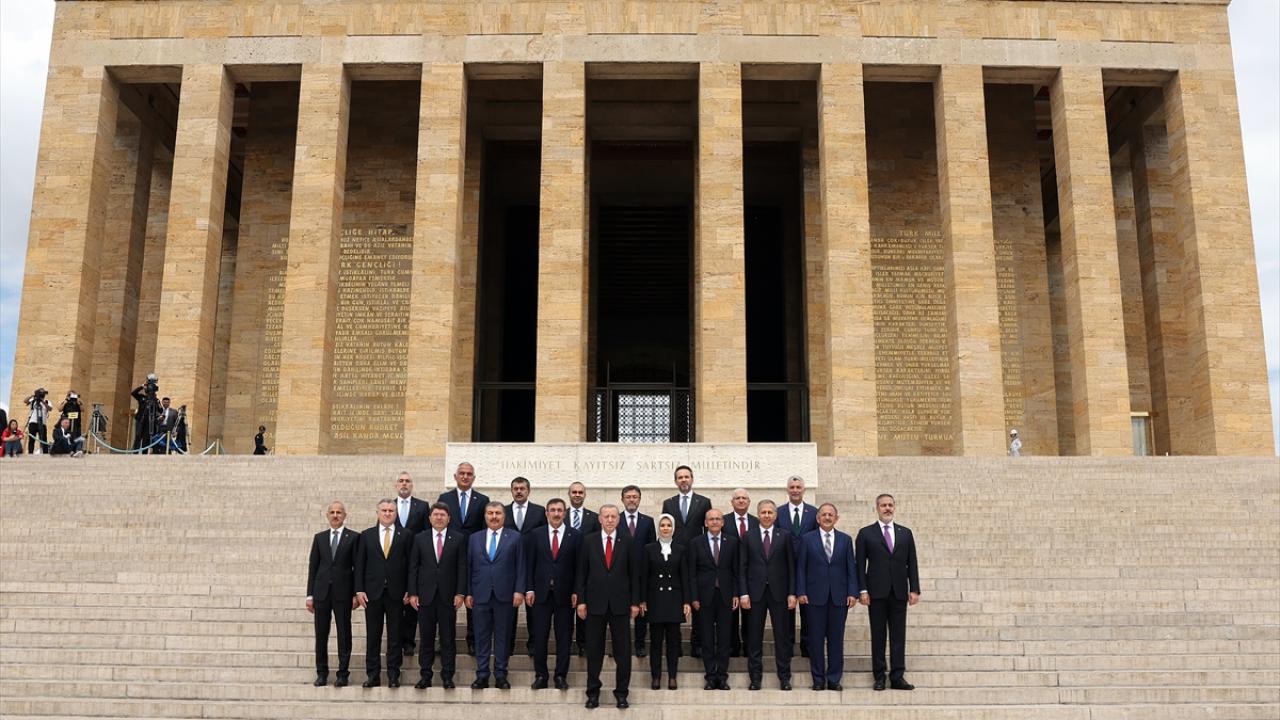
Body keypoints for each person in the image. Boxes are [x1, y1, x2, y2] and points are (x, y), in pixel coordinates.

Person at [575, 504, 640, 710]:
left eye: (613, 516)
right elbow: (581, 573)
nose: (610, 520)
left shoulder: (628, 541)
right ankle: (593, 693)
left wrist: (635, 602)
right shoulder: (589, 541)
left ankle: (621, 693)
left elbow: (634, 575)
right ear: (600, 519)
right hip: (595, 605)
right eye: (606, 516)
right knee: (594, 651)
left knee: (623, 651)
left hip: (621, 605)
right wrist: (581, 601)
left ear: (619, 519)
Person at [856, 493, 921, 692]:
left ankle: (897, 676)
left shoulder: (905, 533)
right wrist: (862, 590)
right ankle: (879, 676)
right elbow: (860, 565)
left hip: (899, 592)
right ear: (877, 508)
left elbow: (912, 562)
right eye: (883, 505)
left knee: (898, 636)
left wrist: (914, 588)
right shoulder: (866, 533)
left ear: (895, 507)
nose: (887, 508)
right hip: (876, 593)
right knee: (878, 635)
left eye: (890, 505)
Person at [796, 502, 858, 691]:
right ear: (818, 518)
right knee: (815, 640)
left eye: (831, 515)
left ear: (836, 518)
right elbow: (801, 567)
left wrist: (852, 592)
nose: (827, 517)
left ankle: (834, 679)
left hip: (839, 597)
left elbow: (851, 568)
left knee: (836, 640)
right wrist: (801, 591)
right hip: (814, 597)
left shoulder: (845, 540)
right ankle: (818, 679)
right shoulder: (807, 539)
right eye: (823, 514)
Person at [465, 502, 525, 690]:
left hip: (505, 595)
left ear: (504, 516)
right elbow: (469, 567)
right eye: (490, 513)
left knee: (503, 636)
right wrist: (468, 592)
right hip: (480, 594)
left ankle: (500, 674)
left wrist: (519, 590)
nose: (494, 516)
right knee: (481, 636)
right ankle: (482, 675)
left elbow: (520, 566)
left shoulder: (515, 537)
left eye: (498, 513)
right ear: (485, 516)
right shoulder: (474, 538)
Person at [523, 497, 581, 691]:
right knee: (539, 637)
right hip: (540, 594)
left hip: (565, 595)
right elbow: (529, 564)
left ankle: (560, 676)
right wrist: (529, 588)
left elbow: (579, 567)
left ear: (565, 513)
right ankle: (541, 675)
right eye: (552, 510)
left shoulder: (575, 535)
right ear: (547, 513)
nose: (556, 513)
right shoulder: (535, 534)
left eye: (559, 510)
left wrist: (577, 591)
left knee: (564, 637)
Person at [354, 499, 413, 688]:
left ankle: (394, 675)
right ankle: (373, 675)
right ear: (377, 513)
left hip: (397, 593)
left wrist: (410, 589)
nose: (387, 513)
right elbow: (360, 564)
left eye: (391, 510)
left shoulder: (406, 535)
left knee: (395, 636)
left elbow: (411, 565)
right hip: (372, 594)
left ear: (396, 513)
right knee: (373, 636)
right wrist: (359, 590)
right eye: (384, 510)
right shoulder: (366, 535)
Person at [408, 502, 467, 690]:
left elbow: (462, 567)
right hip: (425, 596)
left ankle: (447, 676)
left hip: (448, 597)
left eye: (443, 515)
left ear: (449, 518)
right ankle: (425, 675)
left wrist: (460, 592)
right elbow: (413, 567)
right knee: (426, 639)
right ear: (430, 518)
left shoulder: (458, 538)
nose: (439, 517)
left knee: (448, 639)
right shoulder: (420, 538)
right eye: (436, 514)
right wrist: (413, 593)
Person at [741, 499, 796, 691]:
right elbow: (742, 567)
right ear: (758, 514)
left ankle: (784, 677)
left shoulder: (785, 536)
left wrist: (792, 592)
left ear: (775, 515)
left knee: (782, 637)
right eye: (763, 512)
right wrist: (743, 593)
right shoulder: (748, 536)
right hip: (755, 594)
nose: (766, 515)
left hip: (779, 593)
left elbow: (791, 567)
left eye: (770, 512)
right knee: (754, 638)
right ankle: (755, 678)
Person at [688, 508, 744, 690]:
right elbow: (692, 573)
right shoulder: (696, 543)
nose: (714, 522)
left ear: (723, 522)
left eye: (718, 519)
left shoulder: (732, 542)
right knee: (706, 638)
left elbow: (736, 571)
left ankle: (722, 676)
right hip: (704, 598)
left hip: (726, 596)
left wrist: (736, 593)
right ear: (705, 523)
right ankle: (710, 677)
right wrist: (694, 597)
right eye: (711, 519)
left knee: (724, 639)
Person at [437, 462, 488, 653]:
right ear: (455, 476)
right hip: (450, 557)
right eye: (462, 473)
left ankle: (473, 640)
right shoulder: (445, 498)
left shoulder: (482, 500)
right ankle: (444, 640)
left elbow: (484, 530)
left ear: (473, 477)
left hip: (474, 557)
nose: (465, 476)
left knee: (473, 600)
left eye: (469, 474)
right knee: (446, 600)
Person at [660, 465, 711, 656]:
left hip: (698, 557)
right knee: (675, 600)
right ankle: (676, 646)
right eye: (680, 477)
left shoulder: (704, 502)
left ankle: (697, 644)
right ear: (675, 481)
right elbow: (665, 529)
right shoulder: (669, 503)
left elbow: (707, 529)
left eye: (686, 477)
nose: (683, 480)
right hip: (676, 557)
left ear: (692, 479)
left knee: (697, 601)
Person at [306, 501, 358, 687]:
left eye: (339, 512)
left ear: (345, 515)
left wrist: (355, 593)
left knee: (344, 634)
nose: (335, 515)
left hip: (343, 594)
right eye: (332, 512)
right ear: (327, 515)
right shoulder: (319, 538)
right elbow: (313, 567)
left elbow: (357, 568)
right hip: (321, 594)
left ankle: (343, 674)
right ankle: (321, 673)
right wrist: (310, 595)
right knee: (321, 635)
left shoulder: (354, 537)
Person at [639, 513, 690, 691]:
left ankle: (672, 676)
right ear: (658, 528)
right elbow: (644, 576)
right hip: (655, 600)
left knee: (673, 642)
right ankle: (656, 677)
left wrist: (686, 601)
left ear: (673, 528)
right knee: (655, 641)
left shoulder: (681, 549)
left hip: (674, 600)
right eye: (662, 525)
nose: (665, 528)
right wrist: (642, 600)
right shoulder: (649, 549)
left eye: (668, 525)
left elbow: (685, 577)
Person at [775, 474, 818, 657]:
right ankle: (788, 646)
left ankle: (807, 647)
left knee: (808, 610)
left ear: (804, 490)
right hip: (785, 569)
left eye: (798, 487)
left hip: (809, 569)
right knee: (787, 609)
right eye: (792, 487)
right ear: (787, 490)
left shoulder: (814, 512)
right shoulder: (778, 512)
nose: (795, 490)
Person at [503, 476, 545, 656]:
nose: (519, 491)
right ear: (512, 491)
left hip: (533, 565)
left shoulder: (539, 511)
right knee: (509, 610)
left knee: (533, 609)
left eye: (522, 488)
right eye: (516, 488)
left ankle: (533, 644)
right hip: (508, 566)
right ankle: (508, 646)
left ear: (529, 491)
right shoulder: (503, 511)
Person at [393, 471, 430, 656]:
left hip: (415, 560)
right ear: (396, 485)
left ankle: (408, 642)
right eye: (401, 481)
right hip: (394, 561)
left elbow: (427, 532)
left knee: (412, 602)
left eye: (407, 481)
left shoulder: (422, 506)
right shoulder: (388, 506)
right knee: (396, 603)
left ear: (412, 485)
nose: (404, 484)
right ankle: (396, 640)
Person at [618, 484, 655, 658]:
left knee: (641, 610)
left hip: (641, 574)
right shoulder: (615, 519)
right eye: (628, 497)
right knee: (619, 610)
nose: (631, 500)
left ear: (640, 499)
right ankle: (619, 645)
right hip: (620, 573)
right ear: (622, 499)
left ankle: (640, 644)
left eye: (635, 497)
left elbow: (651, 548)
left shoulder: (647, 521)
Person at [722, 487, 758, 656]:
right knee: (730, 614)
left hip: (751, 575)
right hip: (728, 574)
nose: (741, 500)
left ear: (749, 502)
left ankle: (749, 648)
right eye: (738, 498)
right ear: (732, 502)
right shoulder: (723, 521)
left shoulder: (757, 522)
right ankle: (733, 648)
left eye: (744, 498)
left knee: (750, 615)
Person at [566, 480, 599, 655]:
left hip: (586, 570)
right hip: (564, 570)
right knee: (565, 611)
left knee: (583, 607)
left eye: (580, 492)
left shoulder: (593, 518)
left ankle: (583, 644)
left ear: (585, 495)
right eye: (574, 492)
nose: (577, 495)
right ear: (569, 494)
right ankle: (565, 643)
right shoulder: (560, 514)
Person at [130, 375, 159, 451]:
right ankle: (135, 452)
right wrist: (142, 386)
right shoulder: (141, 397)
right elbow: (133, 393)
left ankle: (144, 453)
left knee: (146, 438)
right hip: (140, 419)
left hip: (149, 421)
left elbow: (160, 410)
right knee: (138, 436)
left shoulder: (156, 400)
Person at [23, 389, 51, 455]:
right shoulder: (33, 400)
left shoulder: (47, 401)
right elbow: (25, 401)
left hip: (43, 423)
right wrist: (32, 396)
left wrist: (43, 402)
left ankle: (45, 454)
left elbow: (50, 409)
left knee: (44, 439)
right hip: (33, 422)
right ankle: (30, 453)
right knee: (31, 439)